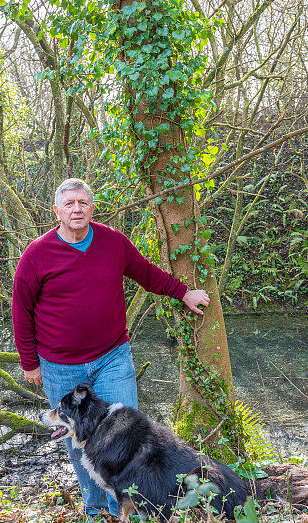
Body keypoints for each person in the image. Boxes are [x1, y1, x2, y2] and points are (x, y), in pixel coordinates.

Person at [11, 178, 210, 516]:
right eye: (70, 204)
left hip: (111, 357)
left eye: (83, 203)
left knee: (128, 436)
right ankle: (98, 510)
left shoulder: (113, 243)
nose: (77, 209)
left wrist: (183, 292)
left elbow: (145, 273)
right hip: (61, 367)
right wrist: (30, 363)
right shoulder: (37, 254)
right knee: (80, 445)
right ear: (56, 211)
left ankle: (137, 507)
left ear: (92, 207)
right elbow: (21, 309)